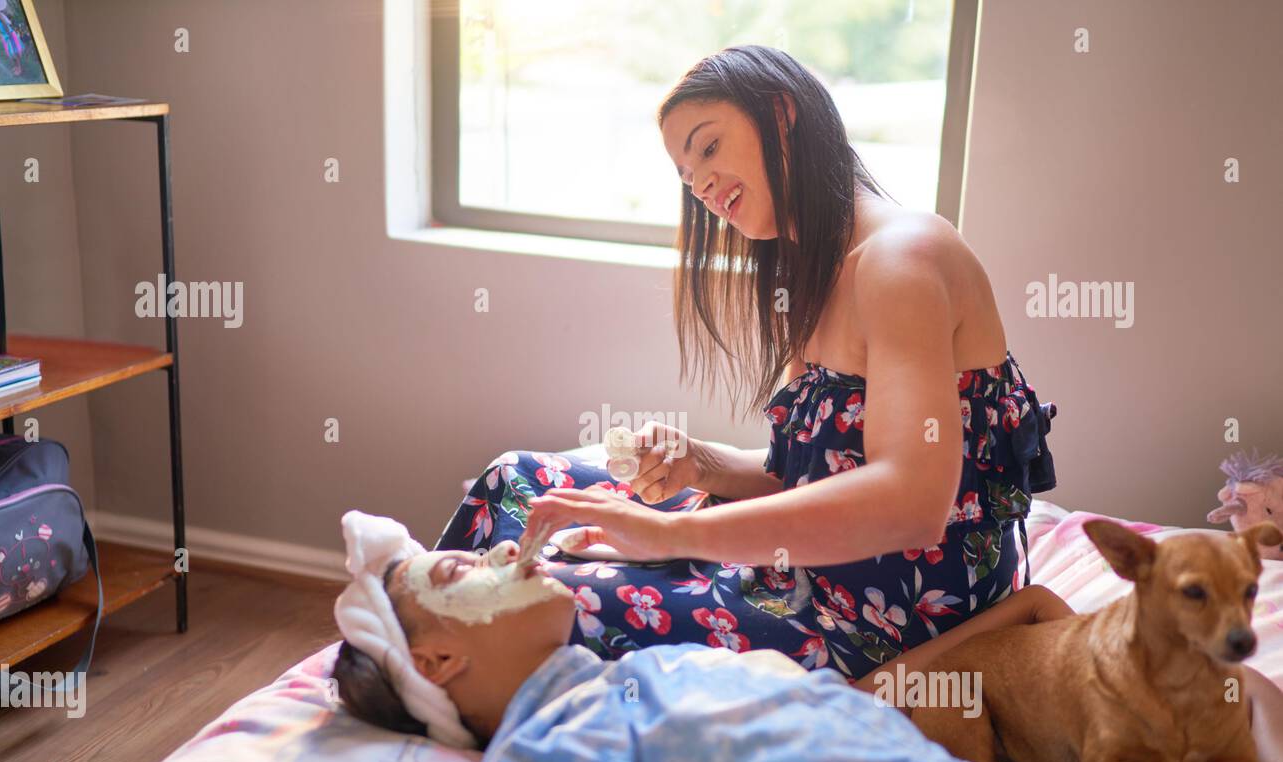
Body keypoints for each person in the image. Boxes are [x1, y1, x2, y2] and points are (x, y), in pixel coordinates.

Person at [436, 45, 1058, 682]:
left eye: (708, 148)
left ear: (782, 116)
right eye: (686, 175)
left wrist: (667, 536)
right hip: (804, 567)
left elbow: (911, 501)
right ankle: (422, 643)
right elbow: (804, 482)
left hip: (876, 614)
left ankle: (423, 665)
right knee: (512, 485)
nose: (700, 186)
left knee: (556, 598)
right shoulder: (813, 273)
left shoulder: (903, 259)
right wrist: (697, 463)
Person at [329, 526, 1283, 762]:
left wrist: (1019, 619)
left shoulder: (650, 671)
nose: (503, 550)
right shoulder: (539, 756)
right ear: (439, 664)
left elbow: (863, 699)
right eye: (461, 568)